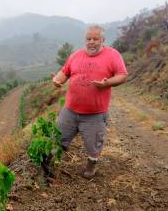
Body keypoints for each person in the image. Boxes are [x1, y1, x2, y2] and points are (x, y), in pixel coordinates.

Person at [51, 25, 128, 179]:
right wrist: (57, 80)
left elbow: (122, 75)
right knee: (57, 138)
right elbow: (64, 72)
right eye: (88, 39)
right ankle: (51, 162)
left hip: (95, 114)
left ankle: (91, 165)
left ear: (103, 40)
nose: (91, 42)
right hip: (70, 110)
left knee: (93, 145)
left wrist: (107, 83)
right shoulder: (75, 55)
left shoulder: (113, 55)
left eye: (95, 39)